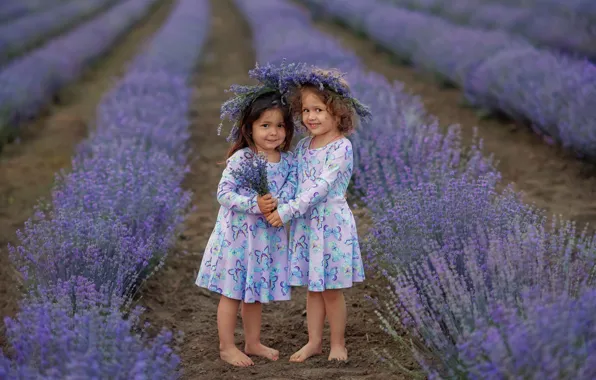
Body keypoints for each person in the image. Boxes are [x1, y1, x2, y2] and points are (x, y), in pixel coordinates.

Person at [266, 67, 369, 362]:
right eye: (306, 110)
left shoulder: (341, 148)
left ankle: (338, 343)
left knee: (332, 290)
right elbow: (295, 183)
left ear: (337, 112)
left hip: (330, 225)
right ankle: (314, 342)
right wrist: (275, 201)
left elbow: (320, 189)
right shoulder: (303, 146)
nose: (311, 116)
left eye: (319, 109)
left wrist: (286, 211)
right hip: (306, 225)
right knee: (313, 288)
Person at [196, 90, 296, 367]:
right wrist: (255, 203)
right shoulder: (242, 159)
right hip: (238, 238)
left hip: (265, 239)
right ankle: (227, 346)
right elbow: (224, 194)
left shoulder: (288, 163)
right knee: (232, 292)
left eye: (280, 126)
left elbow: (291, 192)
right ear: (249, 129)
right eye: (265, 125)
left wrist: (279, 205)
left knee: (254, 293)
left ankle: (252, 342)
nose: (273, 132)